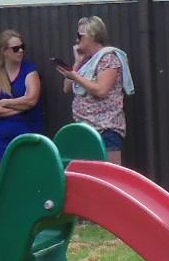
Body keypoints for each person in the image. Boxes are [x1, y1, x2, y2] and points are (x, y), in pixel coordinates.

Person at [56, 14, 133, 164]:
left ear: (92, 35)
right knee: (88, 174)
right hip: (84, 129)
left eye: (80, 36)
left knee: (109, 174)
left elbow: (102, 90)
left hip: (105, 129)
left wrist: (76, 77)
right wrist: (77, 64)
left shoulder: (108, 58)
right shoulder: (87, 61)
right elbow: (66, 88)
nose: (77, 40)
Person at [0, 29, 43, 164]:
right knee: (5, 176)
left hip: (27, 138)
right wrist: (20, 108)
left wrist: (6, 102)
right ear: (4, 51)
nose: (21, 51)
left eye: (22, 47)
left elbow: (31, 100)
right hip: (3, 142)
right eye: (16, 48)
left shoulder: (30, 71)